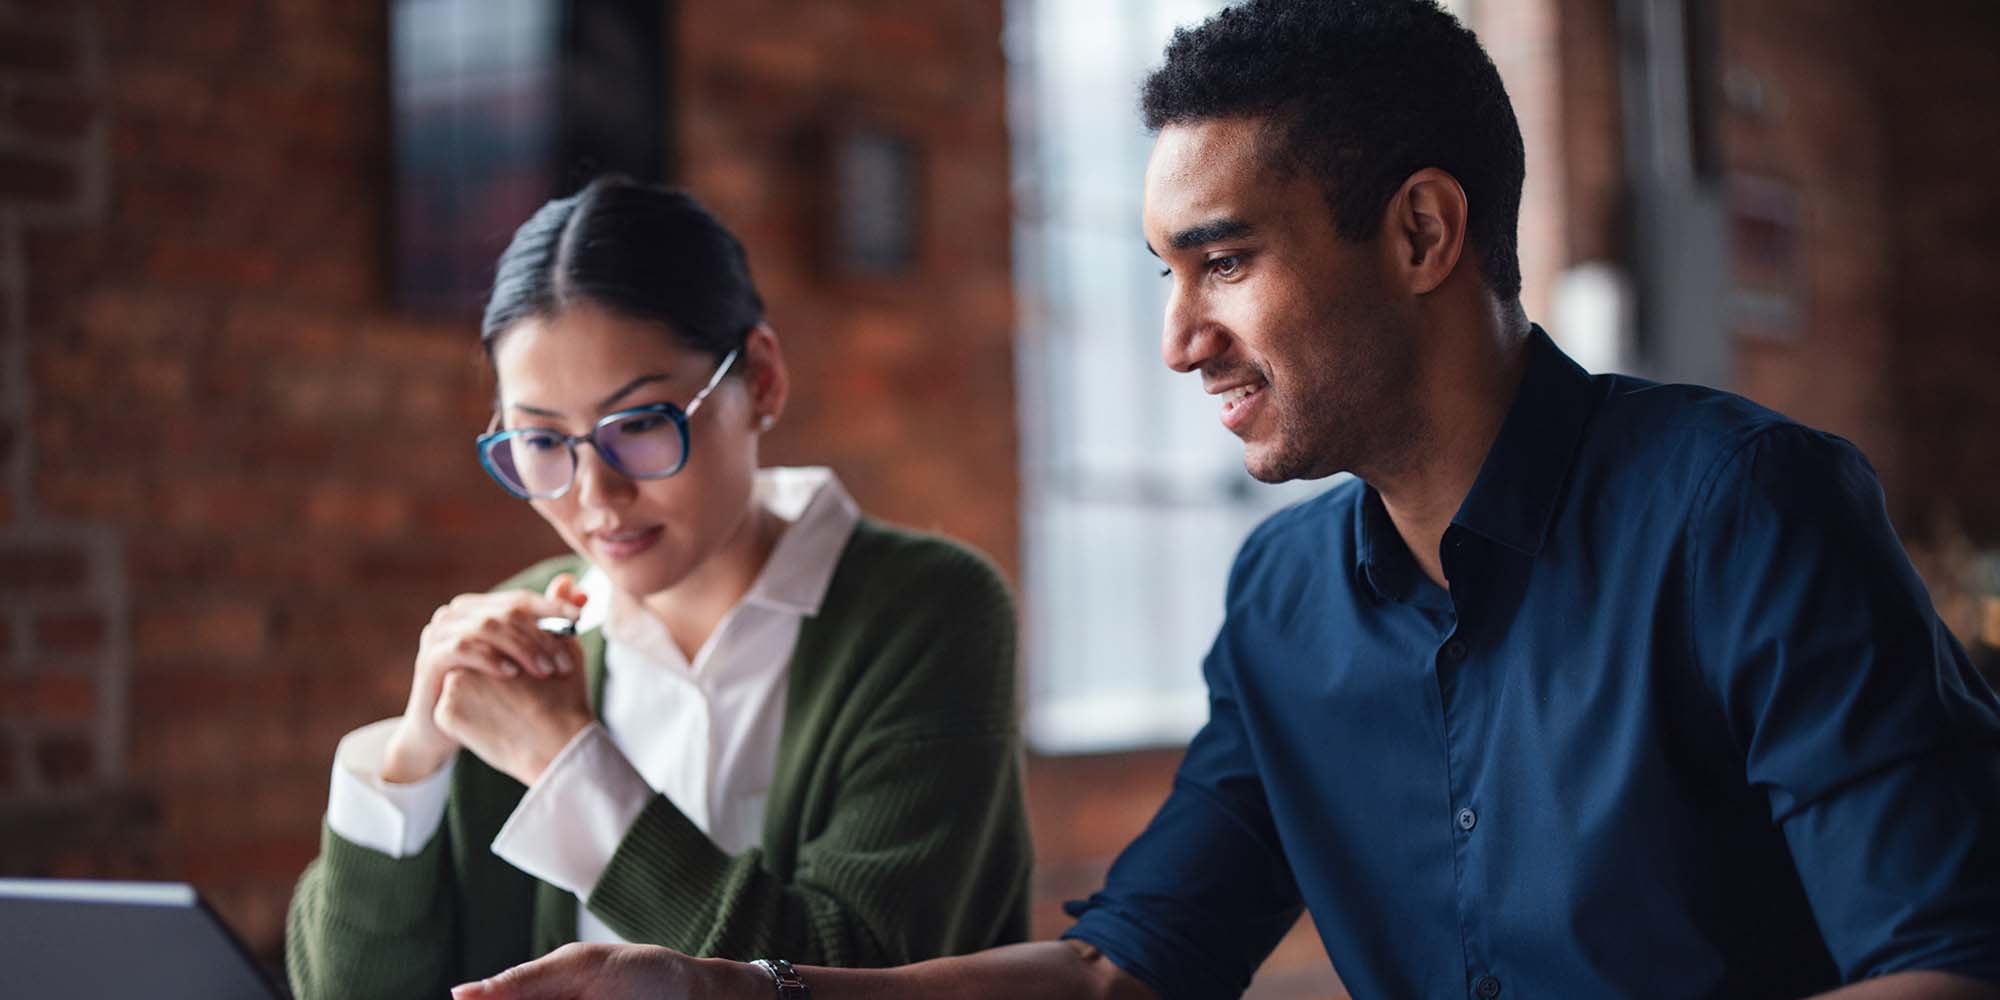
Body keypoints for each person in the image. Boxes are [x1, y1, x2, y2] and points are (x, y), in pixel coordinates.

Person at [450, 2, 2000, 998]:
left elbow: (1942, 964)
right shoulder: (1284, 601)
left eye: (1227, 261)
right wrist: (734, 990)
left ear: (1420, 232)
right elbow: (1132, 966)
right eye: (1165, 274)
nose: (1181, 340)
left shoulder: (1748, 512)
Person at [284, 178, 1034, 1000]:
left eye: (640, 424)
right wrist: (411, 767)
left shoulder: (926, 612)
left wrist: (564, 761)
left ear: (762, 378)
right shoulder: (518, 640)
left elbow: (852, 967)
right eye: (540, 440)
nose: (594, 497)